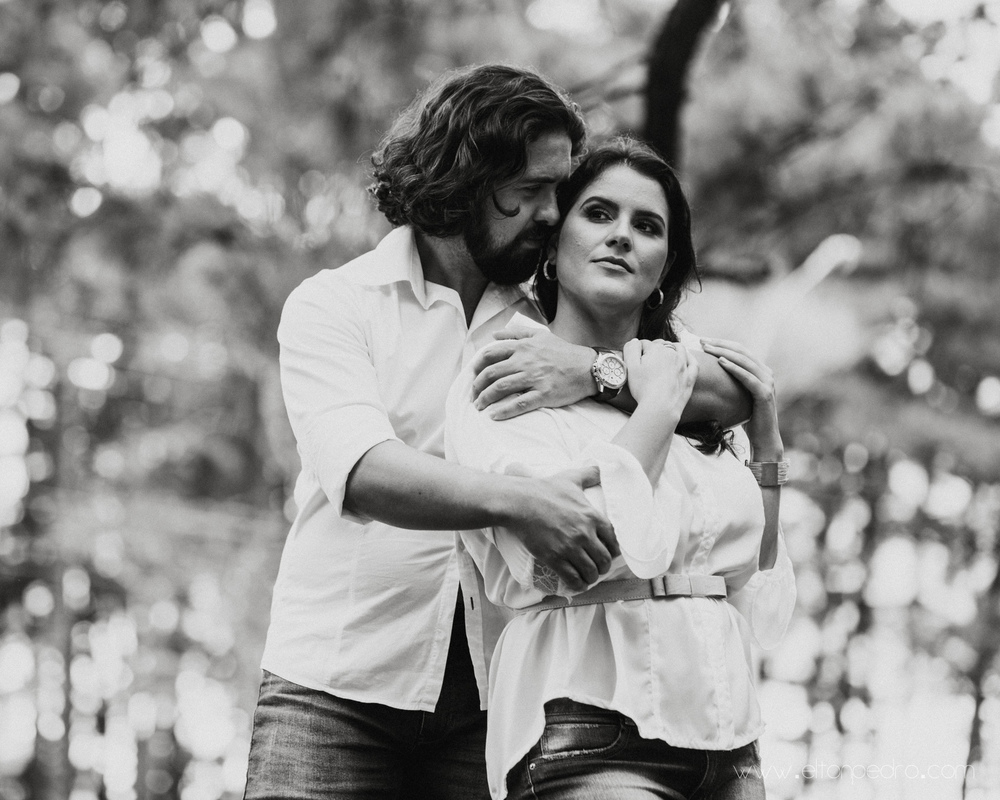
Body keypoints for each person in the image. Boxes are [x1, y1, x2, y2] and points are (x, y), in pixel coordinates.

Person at [245, 65, 750, 800]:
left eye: (560, 190)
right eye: (533, 189)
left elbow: (731, 392)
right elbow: (364, 470)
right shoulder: (337, 304)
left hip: (497, 699)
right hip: (335, 685)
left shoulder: (555, 313)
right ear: (464, 179)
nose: (552, 213)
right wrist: (523, 503)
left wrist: (594, 370)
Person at [445, 135, 797, 800]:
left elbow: (750, 574)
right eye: (599, 214)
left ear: (664, 268)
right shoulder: (504, 374)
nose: (621, 236)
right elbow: (580, 549)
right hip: (588, 727)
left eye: (648, 226)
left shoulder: (690, 387)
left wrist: (768, 448)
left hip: (728, 740)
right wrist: (655, 407)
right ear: (552, 247)